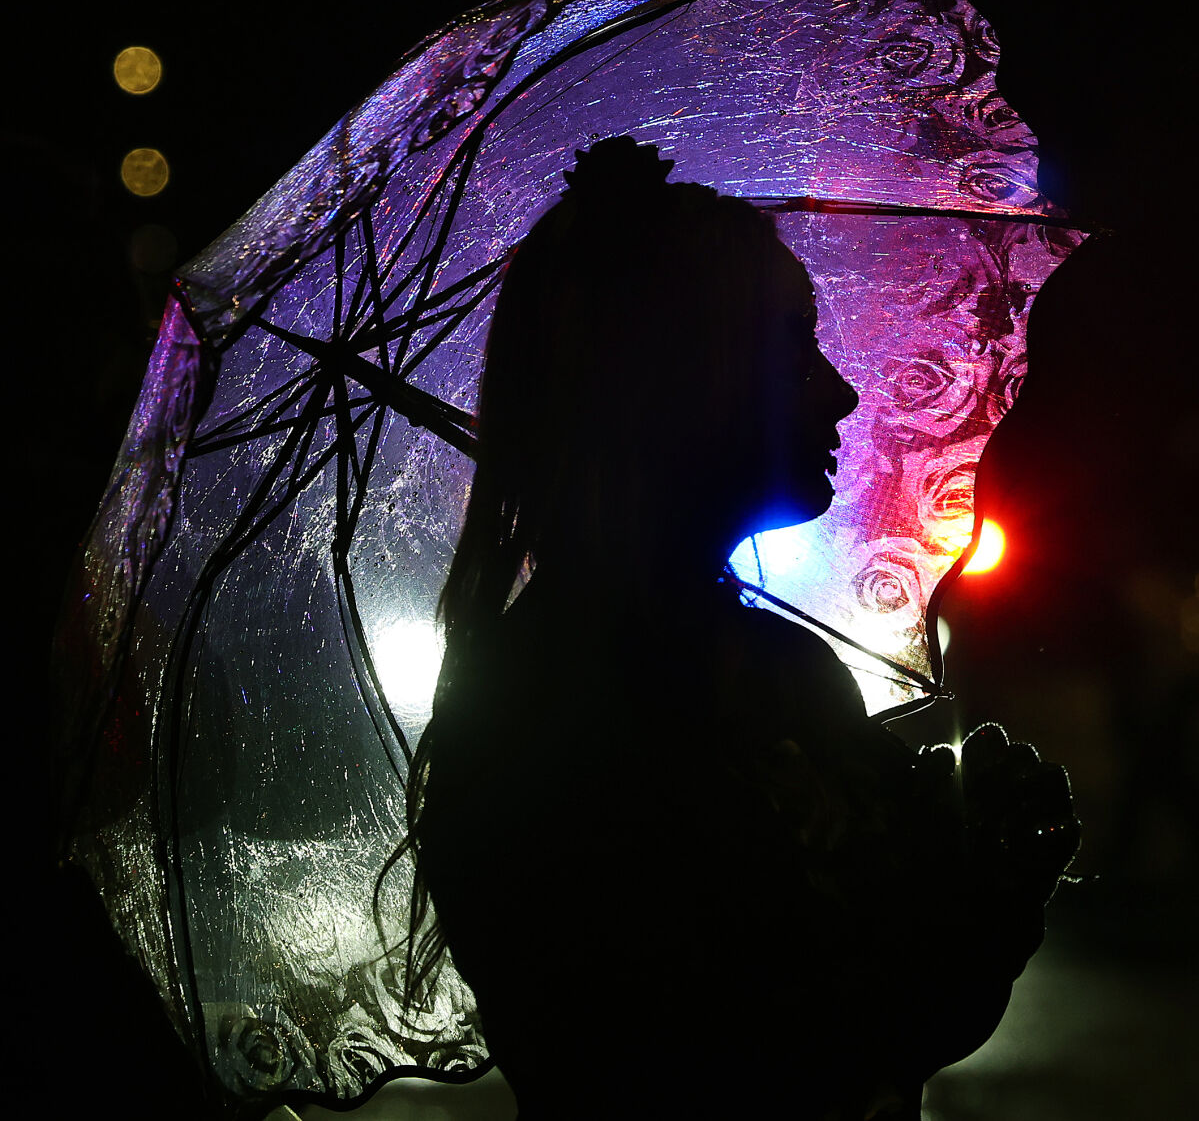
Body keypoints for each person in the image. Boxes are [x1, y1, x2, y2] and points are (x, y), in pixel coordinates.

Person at [402, 136, 1077, 1119]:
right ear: (677, 382)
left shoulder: (758, 664)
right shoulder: (550, 712)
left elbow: (893, 1029)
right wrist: (935, 886)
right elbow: (787, 1049)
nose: (840, 391)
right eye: (791, 347)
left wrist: (977, 876)